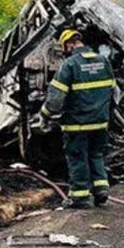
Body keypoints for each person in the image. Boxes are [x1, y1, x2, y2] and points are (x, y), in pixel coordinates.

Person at [42, 29, 115, 209]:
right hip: (100, 122)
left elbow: (55, 98)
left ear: (69, 44)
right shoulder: (103, 61)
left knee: (78, 157)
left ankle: (80, 196)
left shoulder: (69, 65)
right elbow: (113, 91)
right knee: (96, 154)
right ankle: (101, 190)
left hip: (77, 124)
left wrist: (45, 114)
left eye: (64, 47)